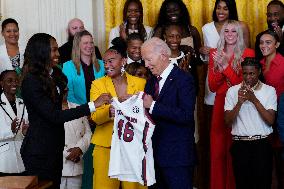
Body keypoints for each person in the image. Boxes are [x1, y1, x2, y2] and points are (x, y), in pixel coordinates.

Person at [20, 33, 111, 189]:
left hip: (55, 149)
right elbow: (55, 116)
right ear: (42, 52)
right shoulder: (31, 81)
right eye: (54, 50)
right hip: (39, 152)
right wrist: (92, 105)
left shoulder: (55, 75)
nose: (58, 54)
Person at [90, 38, 146, 189]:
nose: (107, 65)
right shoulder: (98, 84)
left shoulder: (141, 83)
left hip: (133, 148)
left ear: (123, 61)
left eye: (111, 61)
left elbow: (147, 113)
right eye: (105, 62)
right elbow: (95, 117)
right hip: (106, 148)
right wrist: (111, 110)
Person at [142, 37, 196, 189]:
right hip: (153, 157)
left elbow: (185, 115)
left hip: (177, 158)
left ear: (163, 56)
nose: (146, 65)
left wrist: (152, 105)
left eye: (148, 59)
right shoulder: (151, 81)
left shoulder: (184, 79)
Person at [208, 20, 254, 189]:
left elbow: (243, 84)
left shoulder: (248, 53)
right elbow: (212, 86)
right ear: (222, 34)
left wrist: (225, 66)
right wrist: (222, 69)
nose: (229, 34)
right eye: (226, 31)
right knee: (218, 152)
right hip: (220, 104)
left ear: (239, 34)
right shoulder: (215, 53)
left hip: (240, 104)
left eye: (234, 31)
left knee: (235, 150)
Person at [224, 57, 277, 189]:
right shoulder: (232, 91)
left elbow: (270, 121)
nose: (248, 77)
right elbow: (227, 122)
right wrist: (239, 102)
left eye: (252, 73)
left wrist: (254, 100)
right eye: (245, 73)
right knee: (242, 184)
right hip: (240, 145)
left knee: (263, 184)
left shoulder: (269, 90)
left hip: (262, 145)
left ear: (259, 72)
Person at [62, 30, 105, 189]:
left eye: (91, 42)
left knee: (97, 161)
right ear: (77, 46)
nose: (89, 46)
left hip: (100, 116)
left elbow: (106, 90)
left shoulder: (101, 64)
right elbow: (69, 93)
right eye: (85, 43)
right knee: (82, 157)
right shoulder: (67, 66)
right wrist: (86, 112)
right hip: (79, 116)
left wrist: (95, 112)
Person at [259, 29, 284, 189]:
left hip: (281, 116)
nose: (263, 45)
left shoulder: (283, 63)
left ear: (277, 44)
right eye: (261, 42)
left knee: (280, 157)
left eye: (268, 42)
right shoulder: (259, 64)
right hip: (265, 115)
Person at [60, 90, 92, 189]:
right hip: (56, 164)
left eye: (65, 89)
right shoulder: (48, 110)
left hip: (76, 164)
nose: (63, 92)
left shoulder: (78, 108)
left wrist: (79, 148)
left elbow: (88, 133)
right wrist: (68, 154)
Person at [0, 70, 28, 176]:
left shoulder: (23, 103)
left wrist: (25, 132)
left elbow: (26, 126)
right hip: (4, 162)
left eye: (16, 80)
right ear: (2, 83)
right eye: (9, 81)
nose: (14, 83)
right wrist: (10, 130)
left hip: (22, 159)